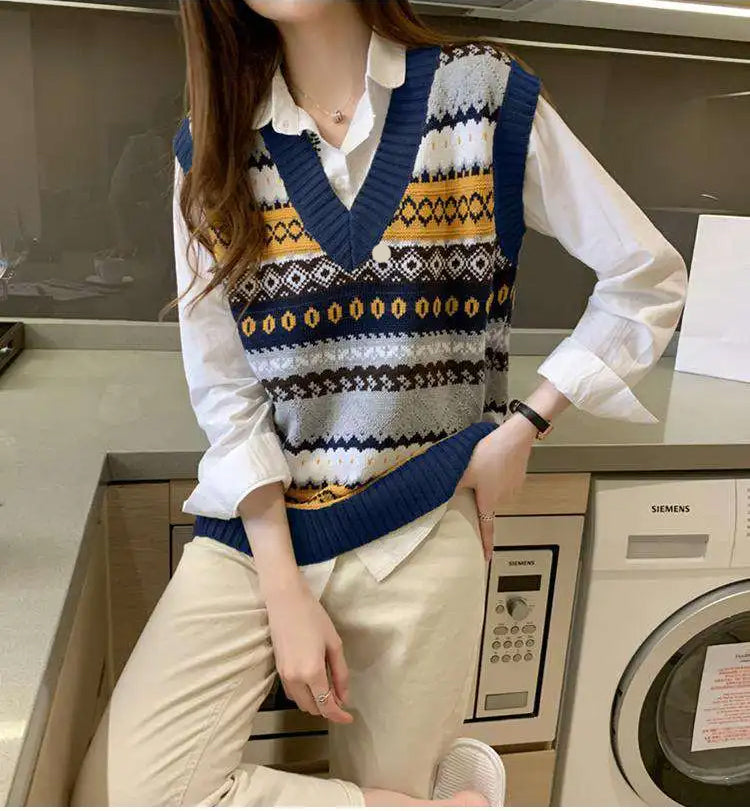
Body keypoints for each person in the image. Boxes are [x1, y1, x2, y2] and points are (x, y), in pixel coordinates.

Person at [73, 0, 687, 806]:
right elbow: (226, 389)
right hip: (258, 531)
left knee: (392, 777)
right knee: (126, 792)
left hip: (420, 524)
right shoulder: (214, 146)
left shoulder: (480, 96)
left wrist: (527, 425)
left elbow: (646, 277)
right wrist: (284, 592)